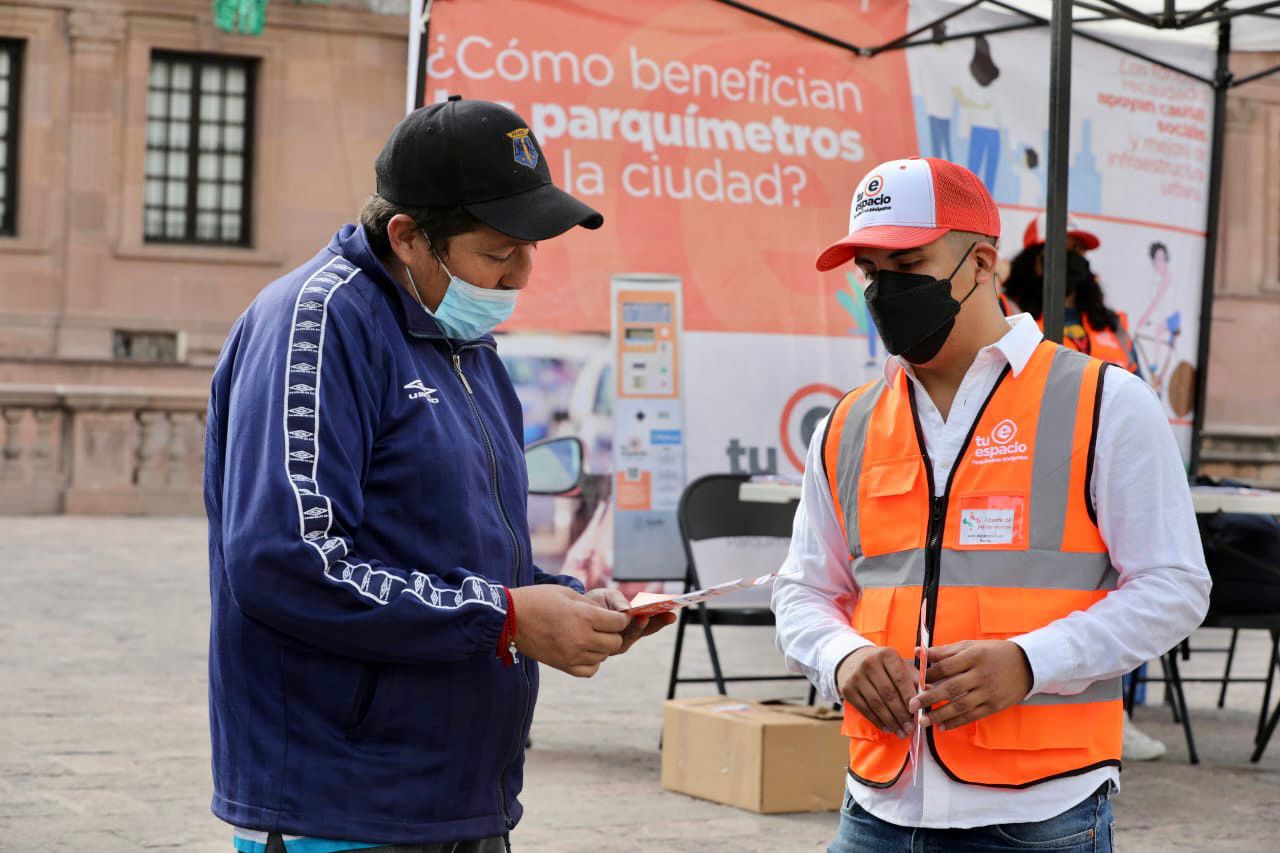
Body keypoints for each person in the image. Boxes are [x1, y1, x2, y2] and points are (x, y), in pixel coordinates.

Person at [204, 96, 670, 853]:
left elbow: (471, 556)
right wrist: (508, 618)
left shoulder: (467, 345)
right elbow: (286, 560)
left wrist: (571, 605)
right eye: (498, 251)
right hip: (342, 803)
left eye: (531, 248)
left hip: (461, 798)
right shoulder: (318, 324)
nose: (520, 274)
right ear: (409, 236)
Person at [774, 157, 1210, 851]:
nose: (885, 289)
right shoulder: (847, 425)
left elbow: (1175, 586)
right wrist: (841, 656)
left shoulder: (1107, 403)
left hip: (1042, 816)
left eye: (909, 261)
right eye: (870, 271)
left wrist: (1031, 660)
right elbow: (802, 590)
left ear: (981, 263)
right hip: (875, 809)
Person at [1001, 215, 1140, 374]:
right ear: (1034, 260)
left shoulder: (1112, 326)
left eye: (1077, 249)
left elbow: (1139, 391)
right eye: (1062, 249)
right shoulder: (1007, 314)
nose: (1072, 258)